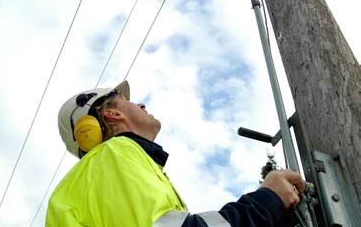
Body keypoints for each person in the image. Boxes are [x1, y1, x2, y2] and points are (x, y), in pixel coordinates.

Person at [46, 80, 305, 226]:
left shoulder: (107, 171)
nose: (141, 104)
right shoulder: (114, 155)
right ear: (112, 114)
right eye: (126, 100)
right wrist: (267, 201)